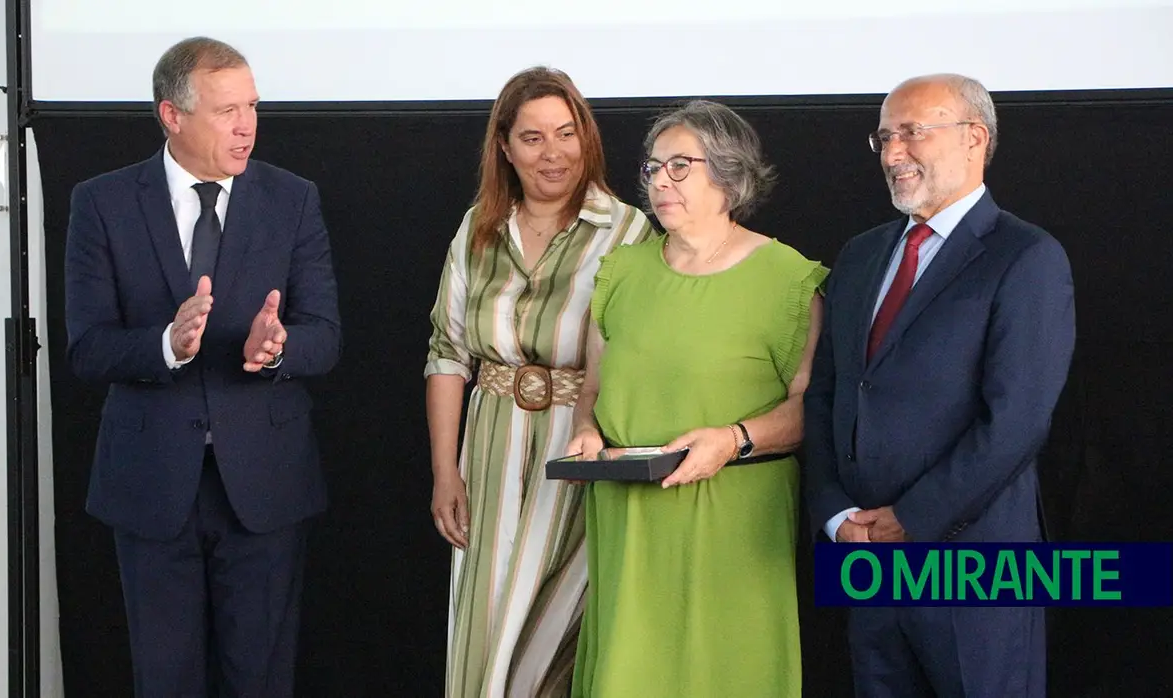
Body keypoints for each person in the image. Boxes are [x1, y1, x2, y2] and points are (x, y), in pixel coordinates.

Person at [63, 37, 340, 697]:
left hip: (266, 487)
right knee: (165, 682)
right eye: (226, 110)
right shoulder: (101, 203)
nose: (247, 126)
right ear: (172, 116)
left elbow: (324, 337)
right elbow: (87, 346)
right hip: (151, 485)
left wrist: (276, 348)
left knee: (262, 680)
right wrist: (166, 345)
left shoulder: (292, 199)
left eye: (252, 106)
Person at [803, 74, 1075, 697]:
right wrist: (837, 514)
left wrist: (911, 518)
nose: (893, 153)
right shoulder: (862, 255)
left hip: (973, 565)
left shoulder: (1025, 256)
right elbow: (826, 395)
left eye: (912, 133)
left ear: (974, 138)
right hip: (867, 563)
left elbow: (1017, 422)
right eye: (884, 137)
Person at [568, 100, 826, 697]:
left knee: (728, 671)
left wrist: (731, 441)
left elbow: (810, 409)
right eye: (654, 168)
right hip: (629, 513)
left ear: (730, 174)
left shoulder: (788, 279)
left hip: (733, 515)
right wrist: (586, 433)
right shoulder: (622, 272)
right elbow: (594, 389)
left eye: (679, 166)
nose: (660, 180)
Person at [424, 66, 654, 697]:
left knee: (554, 635)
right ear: (504, 146)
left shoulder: (628, 231)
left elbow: (634, 353)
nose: (553, 153)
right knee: (484, 629)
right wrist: (447, 471)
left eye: (566, 133)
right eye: (532, 138)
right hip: (491, 443)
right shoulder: (477, 229)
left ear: (587, 137)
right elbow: (448, 354)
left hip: (577, 447)